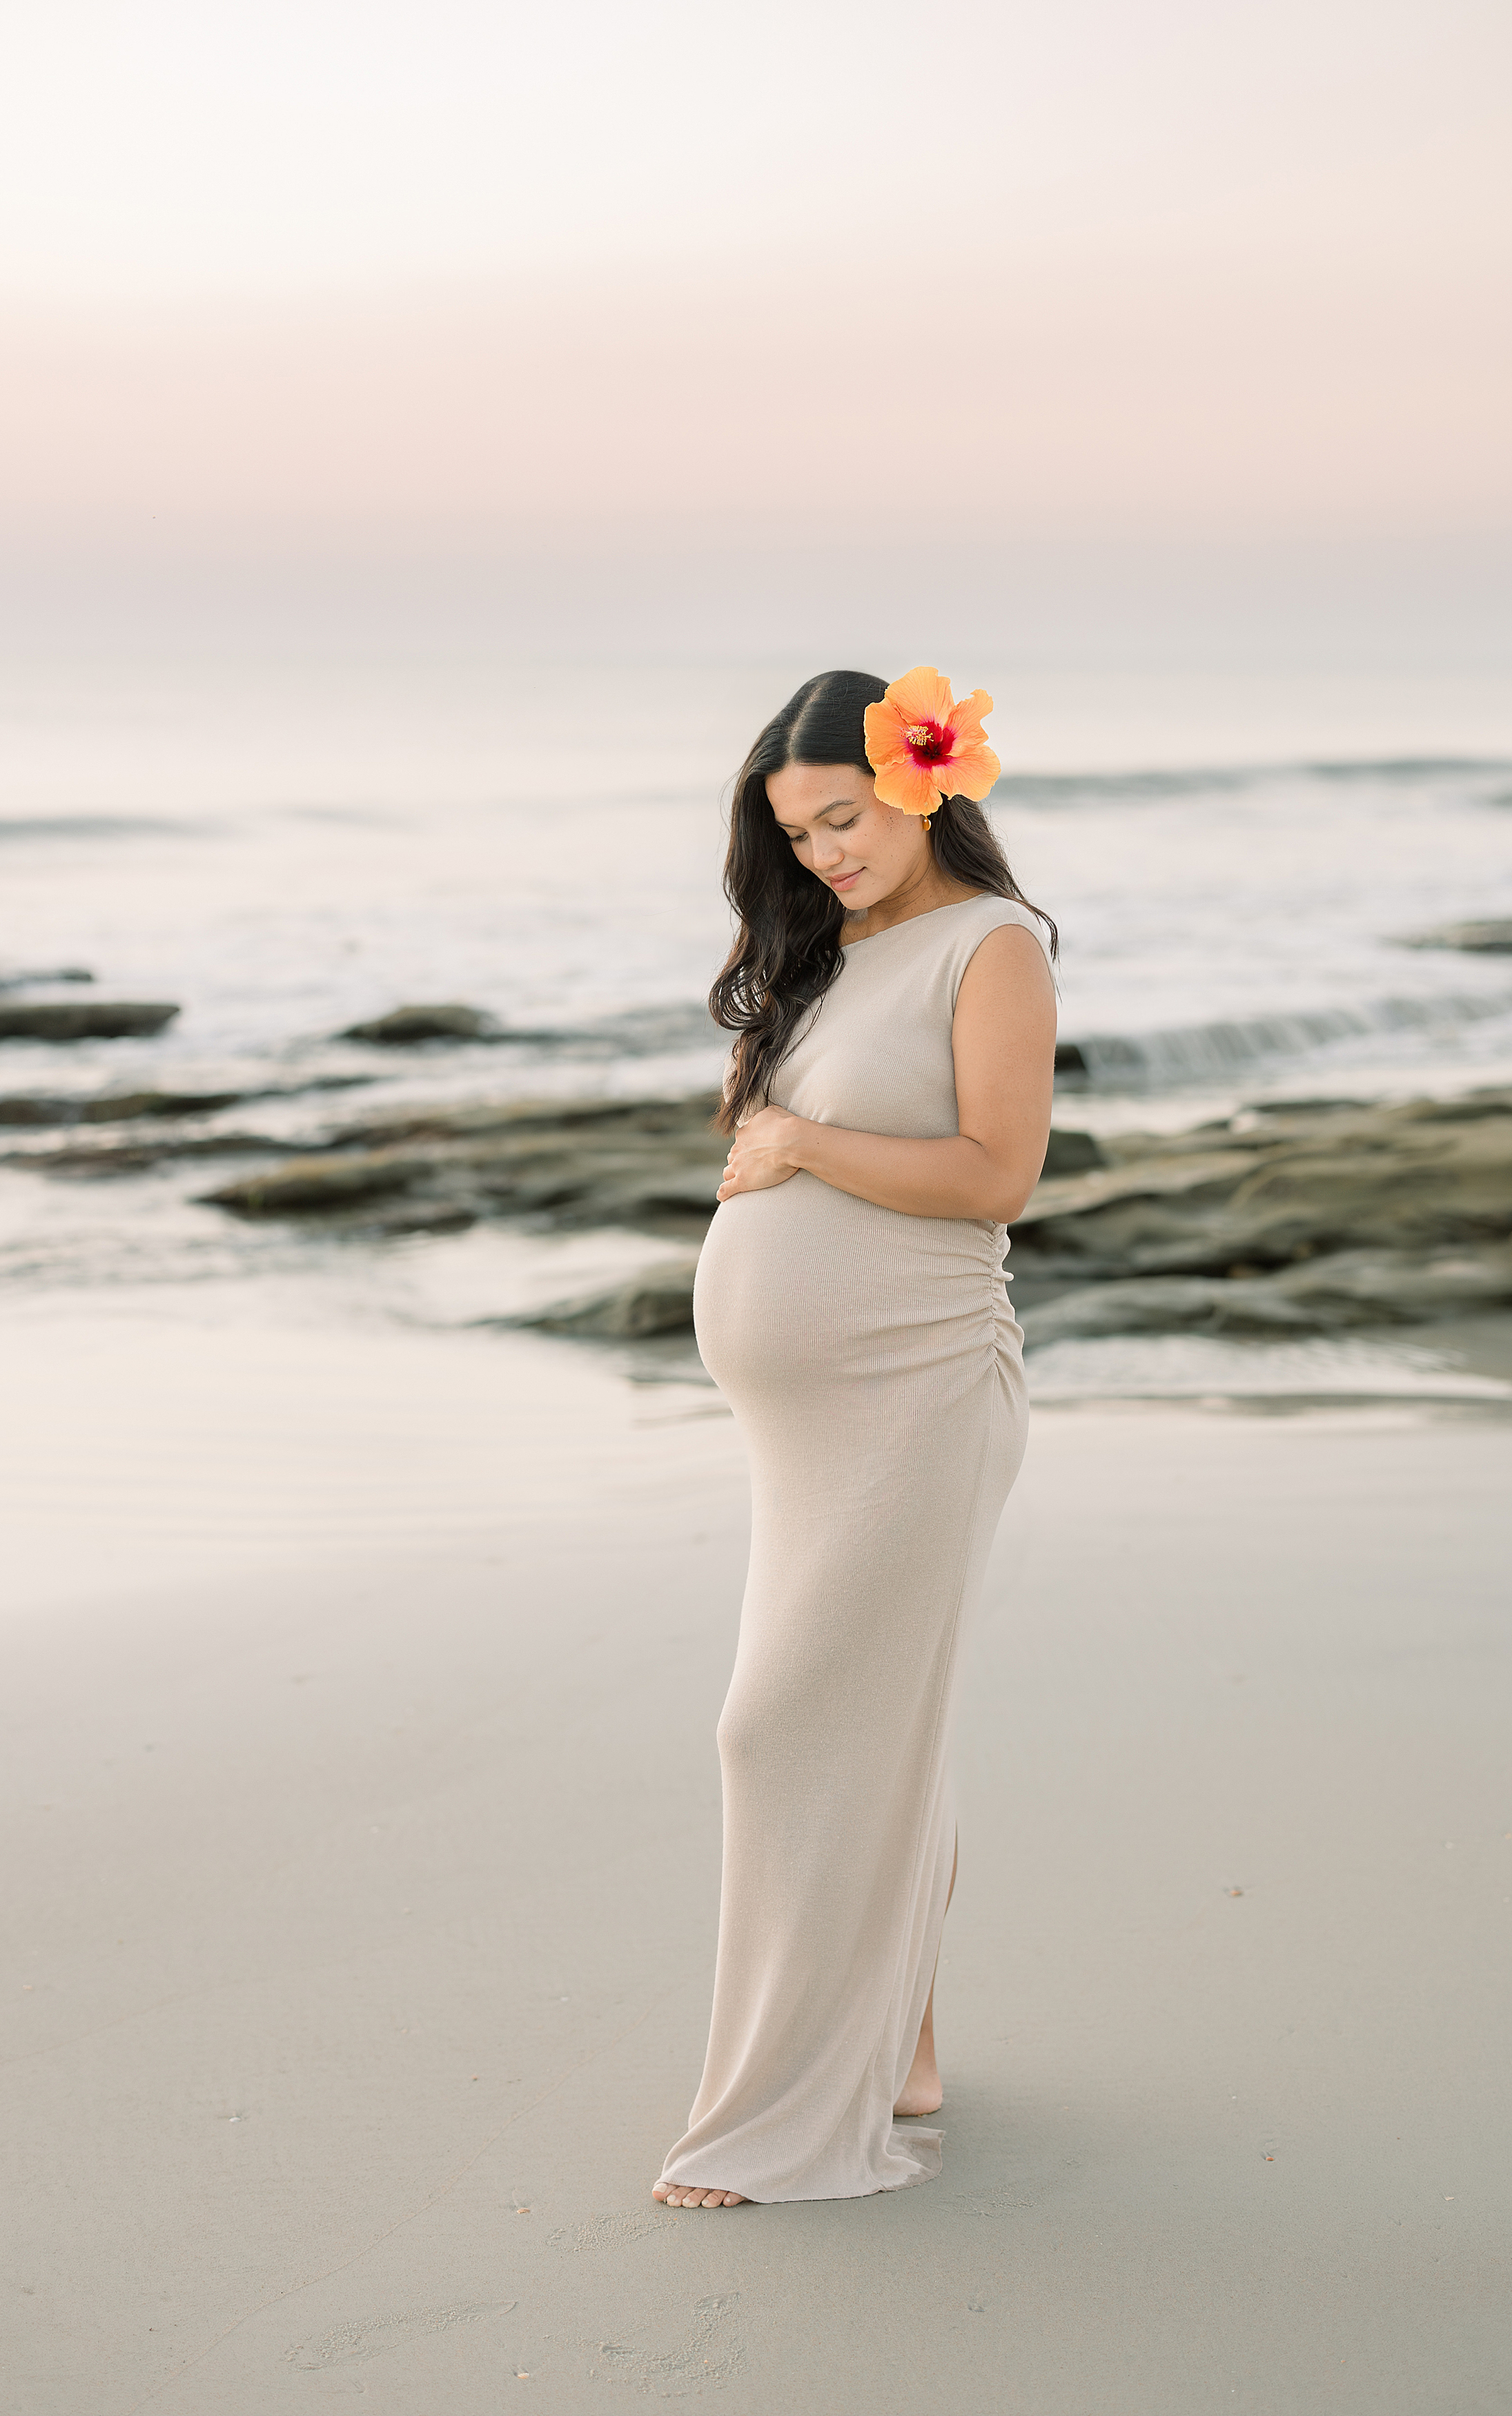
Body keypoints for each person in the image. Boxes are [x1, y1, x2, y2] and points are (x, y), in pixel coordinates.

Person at [652, 666, 1059, 2210]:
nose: (821, 853)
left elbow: (992, 1173)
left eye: (841, 818)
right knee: (880, 1734)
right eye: (796, 833)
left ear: (921, 779)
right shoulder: (835, 953)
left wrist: (804, 1144)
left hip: (919, 1395)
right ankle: (904, 2054)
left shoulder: (990, 946)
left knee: (778, 1729)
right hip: (810, 1424)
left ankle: (778, 2120)